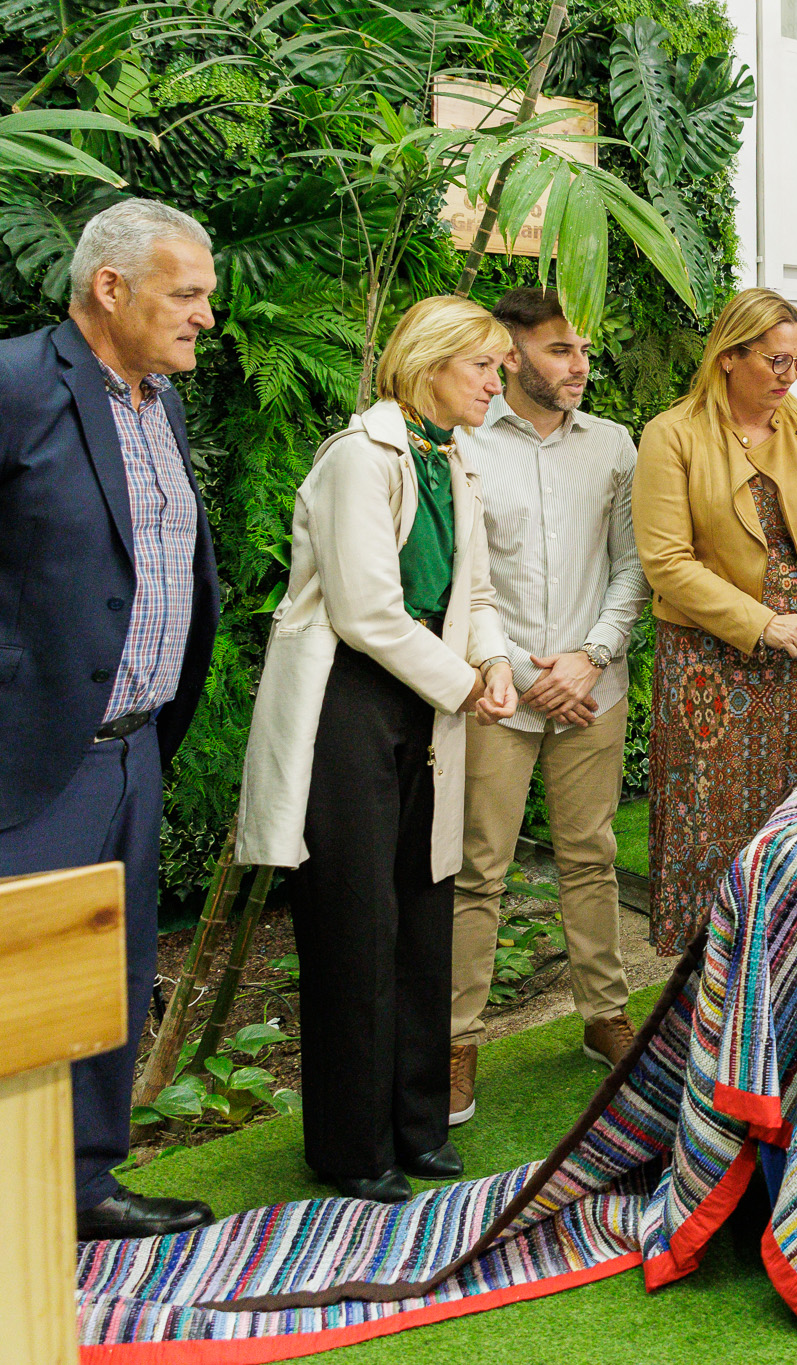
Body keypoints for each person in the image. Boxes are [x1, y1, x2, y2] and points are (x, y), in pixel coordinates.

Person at [235, 296, 517, 1203]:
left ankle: (417, 1126)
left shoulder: (452, 458)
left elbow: (475, 595)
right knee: (355, 925)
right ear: (430, 363)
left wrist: (495, 662)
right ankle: (353, 1148)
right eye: (483, 365)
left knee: (423, 913)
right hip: (348, 705)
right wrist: (463, 684)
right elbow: (363, 612)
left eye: (499, 367)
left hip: (424, 700)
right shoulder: (357, 456)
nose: (496, 383)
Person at [0, 199, 220, 1240]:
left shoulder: (159, 403)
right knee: (14, 983)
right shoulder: (14, 384)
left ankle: (85, 1184)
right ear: (110, 287)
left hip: (133, 749)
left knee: (106, 973)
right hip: (29, 752)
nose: (206, 316)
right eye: (188, 294)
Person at [447, 289, 650, 1123]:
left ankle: (604, 1014)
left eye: (583, 350)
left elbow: (633, 566)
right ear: (513, 355)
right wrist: (506, 666)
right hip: (494, 691)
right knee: (476, 868)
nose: (579, 365)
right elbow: (465, 574)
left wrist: (589, 656)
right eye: (561, 350)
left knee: (592, 855)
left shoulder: (613, 444)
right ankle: (456, 1039)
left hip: (592, 687)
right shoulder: (462, 440)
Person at [633, 288, 797, 955]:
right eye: (775, 360)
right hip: (712, 668)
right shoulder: (672, 434)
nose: (789, 375)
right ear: (730, 357)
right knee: (714, 826)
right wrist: (762, 623)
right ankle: (709, 983)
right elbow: (666, 561)